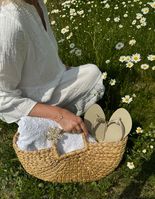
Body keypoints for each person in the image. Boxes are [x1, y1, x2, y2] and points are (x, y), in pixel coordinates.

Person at [0, 0, 105, 137]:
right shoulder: (9, 22)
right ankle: (39, 122)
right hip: (29, 100)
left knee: (92, 73)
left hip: (50, 84)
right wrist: (59, 115)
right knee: (92, 76)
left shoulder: (37, 4)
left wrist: (62, 69)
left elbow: (41, 56)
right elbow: (2, 97)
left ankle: (49, 123)